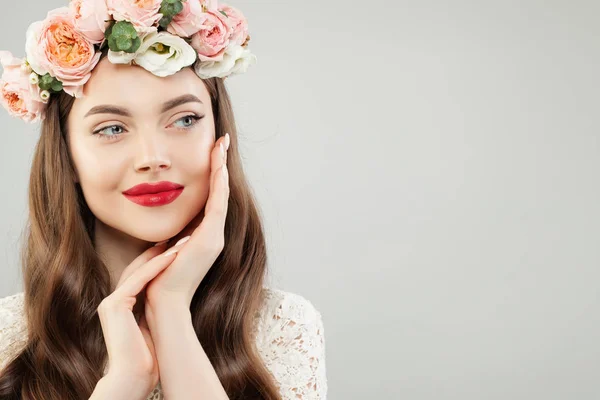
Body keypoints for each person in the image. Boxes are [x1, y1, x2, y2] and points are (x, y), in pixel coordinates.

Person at [0, 1, 327, 399]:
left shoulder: (282, 325)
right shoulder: (8, 335)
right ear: (66, 156)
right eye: (112, 128)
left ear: (219, 135)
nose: (153, 157)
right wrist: (126, 383)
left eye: (185, 120)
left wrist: (169, 309)